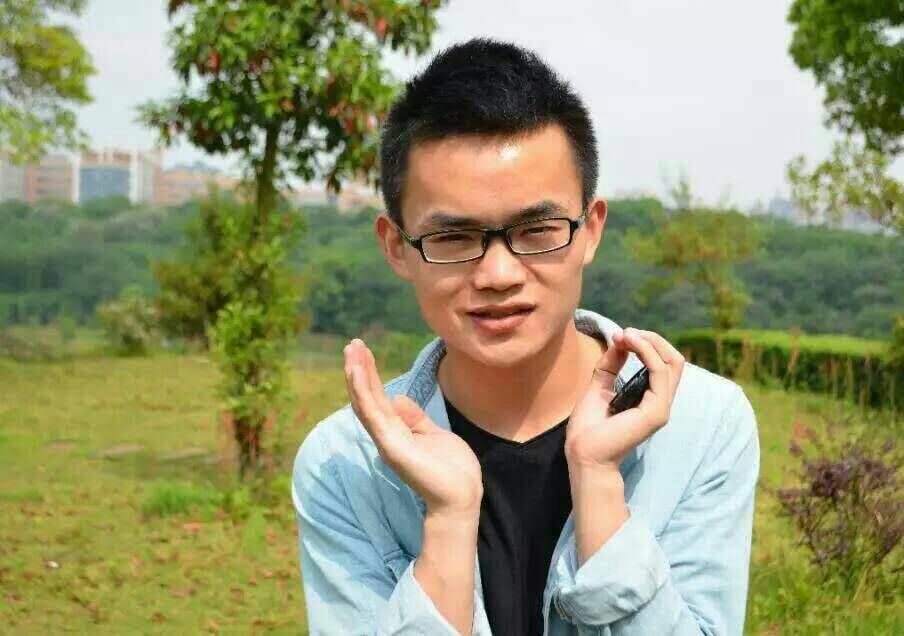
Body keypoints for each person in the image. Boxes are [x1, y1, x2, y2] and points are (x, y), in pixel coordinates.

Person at [292, 37, 760, 636]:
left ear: (591, 231)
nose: (498, 275)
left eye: (537, 229)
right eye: (453, 238)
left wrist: (599, 487)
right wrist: (447, 522)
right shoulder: (343, 465)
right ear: (397, 248)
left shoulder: (702, 426)